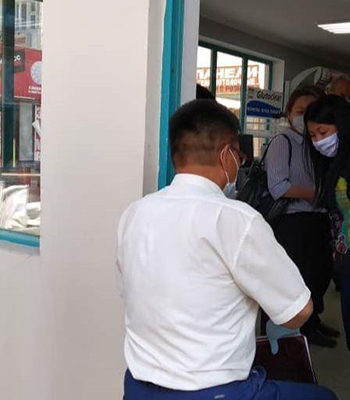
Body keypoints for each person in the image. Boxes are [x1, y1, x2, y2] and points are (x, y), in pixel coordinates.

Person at [117, 99, 337, 400]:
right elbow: (299, 312)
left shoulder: (134, 214)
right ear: (226, 155)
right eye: (239, 155)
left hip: (138, 387)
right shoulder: (237, 219)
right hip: (216, 391)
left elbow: (135, 289)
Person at [304, 95, 350, 400]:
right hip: (348, 265)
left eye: (323, 132)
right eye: (312, 135)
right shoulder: (336, 162)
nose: (318, 141)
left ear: (342, 126)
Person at [264, 87, 339, 348]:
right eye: (300, 111)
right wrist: (313, 195)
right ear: (289, 113)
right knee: (298, 277)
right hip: (293, 221)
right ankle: (298, 330)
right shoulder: (282, 142)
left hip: (318, 218)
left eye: (311, 111)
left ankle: (312, 321)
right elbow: (278, 186)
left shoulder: (318, 144)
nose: (305, 117)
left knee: (319, 274)